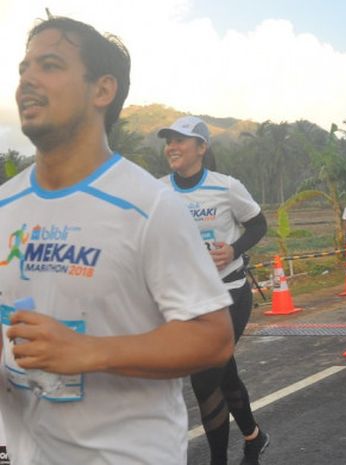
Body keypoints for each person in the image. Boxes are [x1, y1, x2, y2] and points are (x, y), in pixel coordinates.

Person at [0, 17, 234, 465]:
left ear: (101, 91)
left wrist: (91, 352)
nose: (27, 79)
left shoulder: (150, 206)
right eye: (23, 68)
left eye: (49, 65)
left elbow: (213, 338)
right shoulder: (5, 206)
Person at [157, 116, 270, 465]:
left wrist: (234, 250)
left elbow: (258, 224)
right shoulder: (157, 190)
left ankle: (217, 460)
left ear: (202, 148)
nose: (172, 147)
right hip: (187, 300)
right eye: (169, 141)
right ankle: (254, 438)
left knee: (205, 380)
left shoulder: (226, 187)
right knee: (225, 374)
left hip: (229, 294)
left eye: (180, 141)